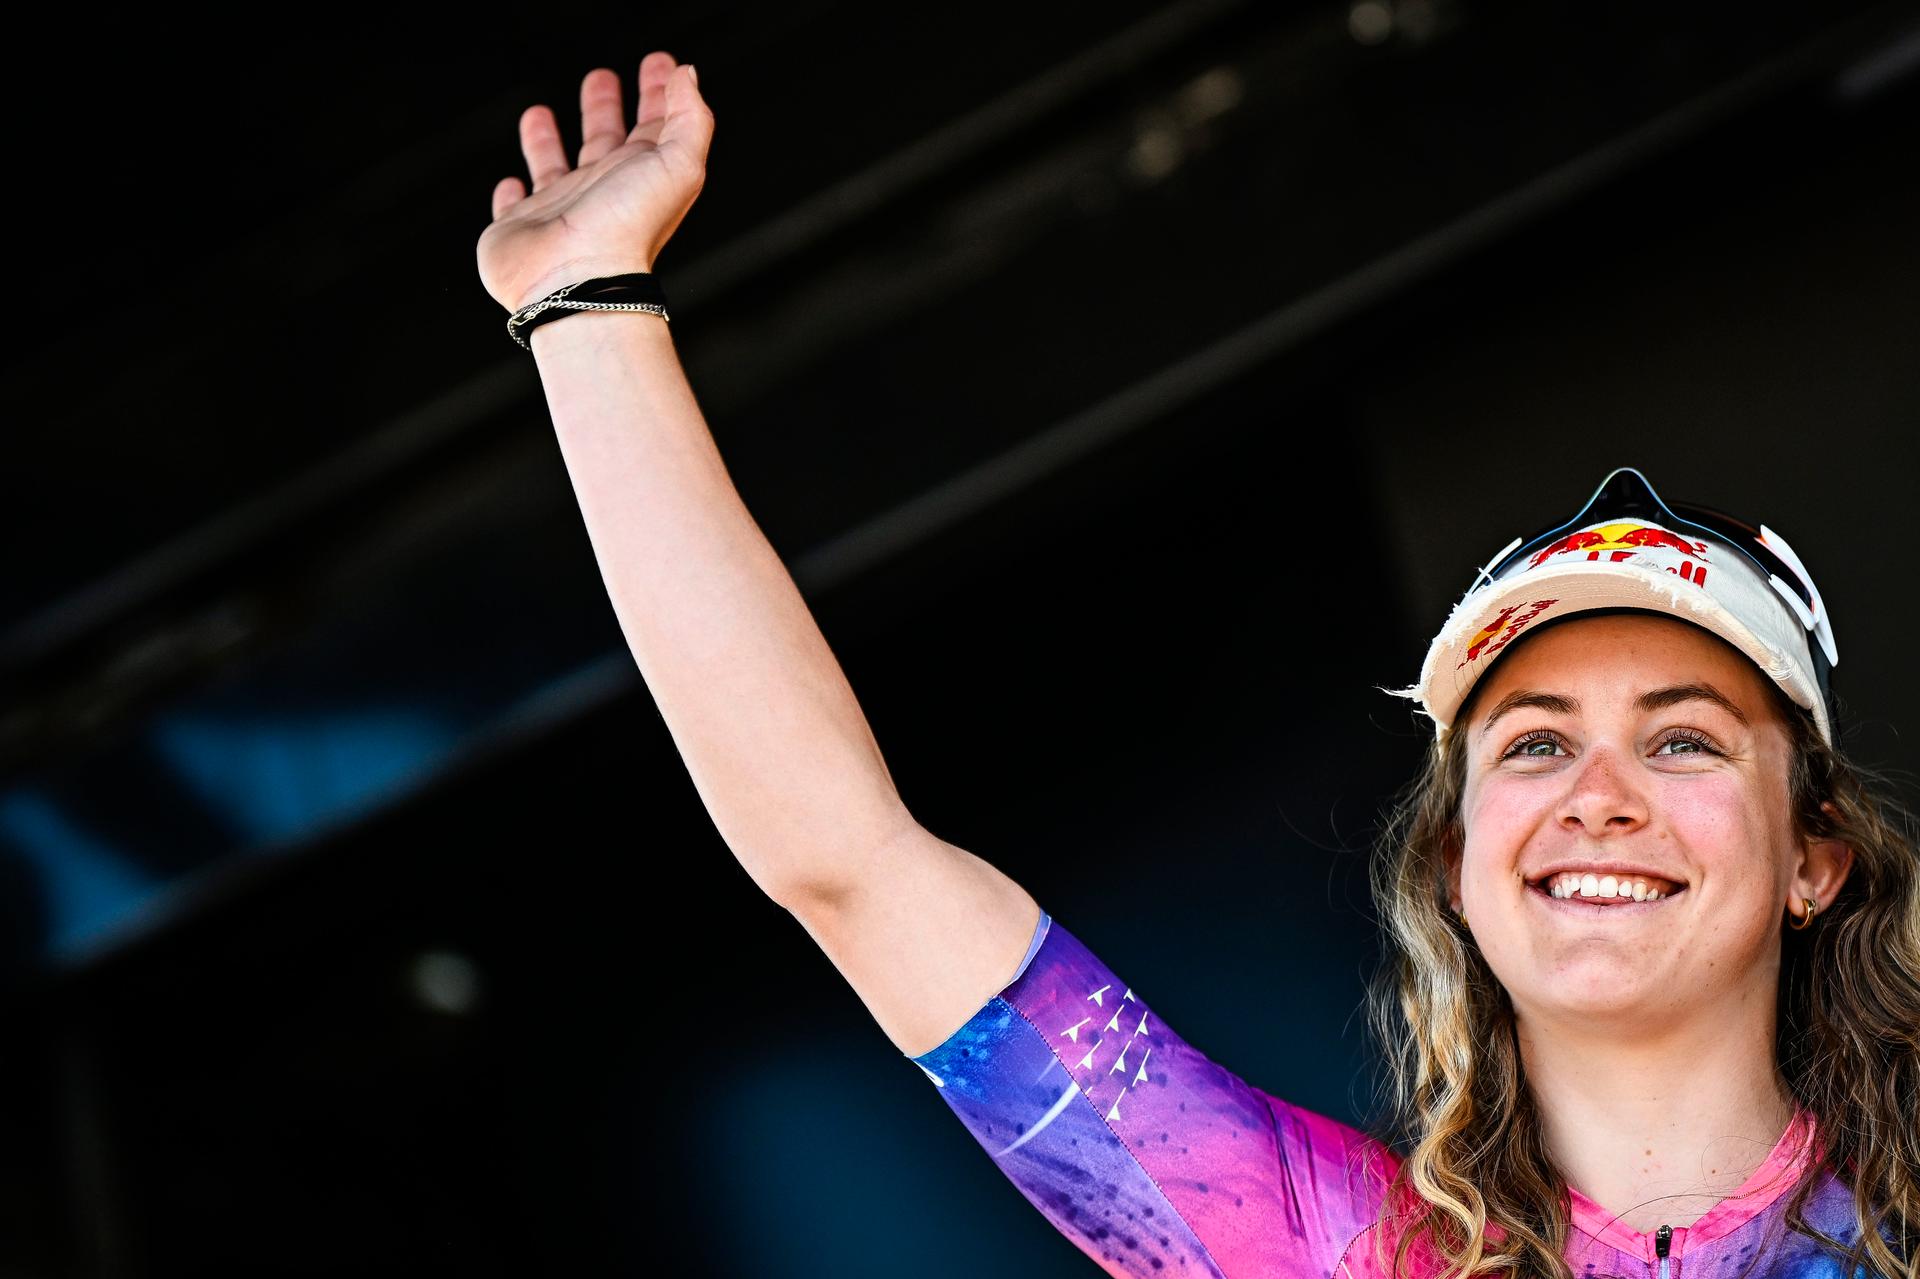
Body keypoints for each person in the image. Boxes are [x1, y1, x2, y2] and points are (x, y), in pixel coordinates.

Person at [475, 51, 1919, 1279]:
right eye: (1533, 742)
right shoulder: (1320, 1245)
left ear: (1817, 856)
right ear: (1457, 860)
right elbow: (847, 860)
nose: (1598, 793)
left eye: (1684, 740)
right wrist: (585, 311)